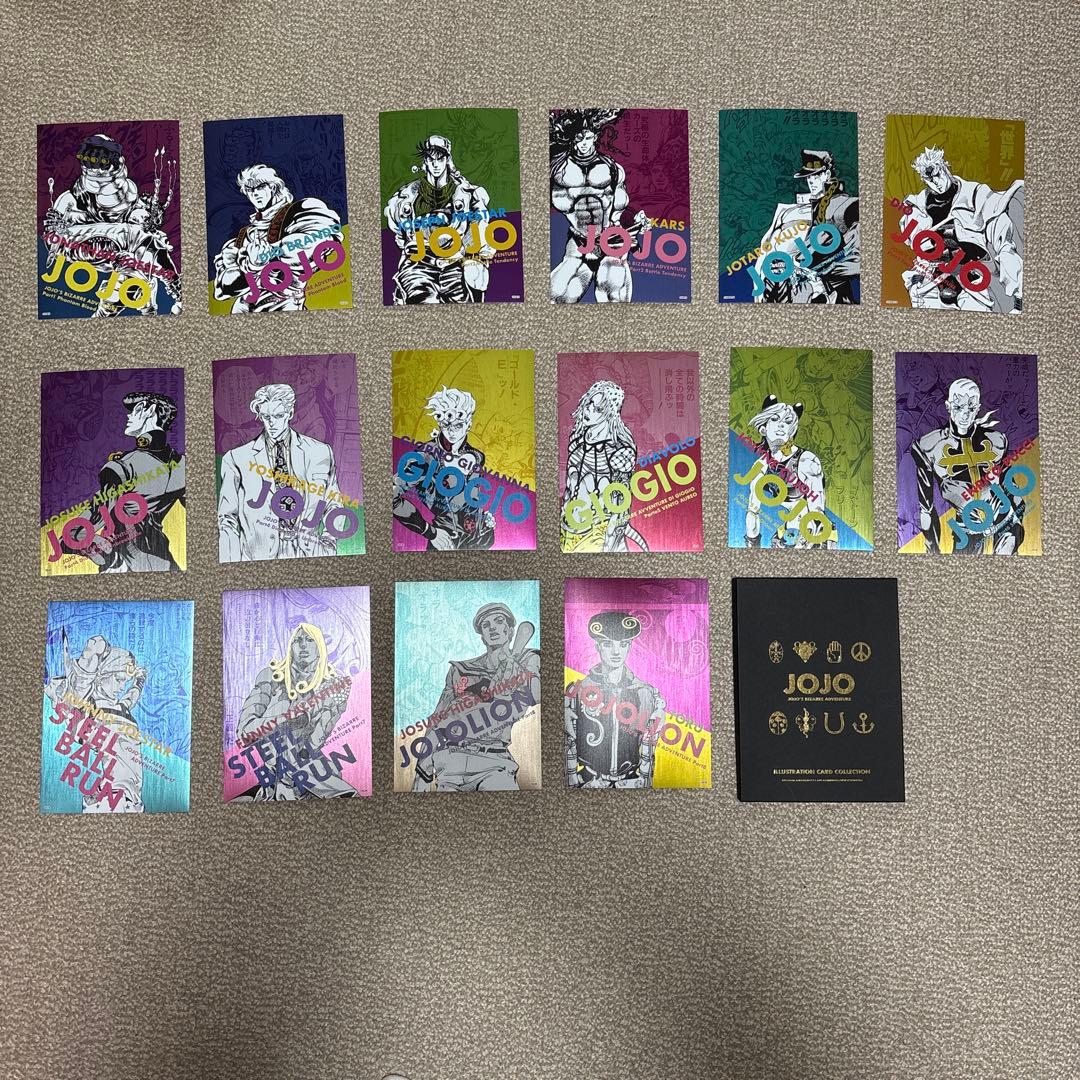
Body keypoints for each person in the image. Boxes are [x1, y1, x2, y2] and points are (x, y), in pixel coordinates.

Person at [42, 133, 182, 315]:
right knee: (135, 244)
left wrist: (146, 217)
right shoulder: (70, 201)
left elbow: (138, 220)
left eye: (103, 166)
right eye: (94, 166)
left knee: (141, 256)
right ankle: (162, 294)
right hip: (82, 246)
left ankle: (159, 296)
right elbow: (54, 240)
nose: (99, 172)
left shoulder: (127, 194)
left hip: (119, 250)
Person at [412, 603, 540, 793]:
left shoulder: (527, 660)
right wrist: (422, 775)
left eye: (499, 621)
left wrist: (514, 666)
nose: (492, 628)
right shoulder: (460, 670)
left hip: (494, 762)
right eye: (486, 625)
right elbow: (437, 720)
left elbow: (535, 695)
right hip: (451, 761)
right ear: (482, 637)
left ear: (511, 630)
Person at [60, 391, 185, 572]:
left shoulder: (123, 466)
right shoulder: (182, 465)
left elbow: (83, 526)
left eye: (135, 409)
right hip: (164, 563)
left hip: (123, 566)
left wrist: (77, 539)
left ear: (150, 411)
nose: (128, 416)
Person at [234, 624, 357, 800]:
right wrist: (287, 719)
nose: (303, 645)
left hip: (310, 774)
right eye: (298, 640)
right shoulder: (270, 677)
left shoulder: (331, 686)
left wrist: (331, 707)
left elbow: (313, 744)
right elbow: (245, 732)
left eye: (310, 640)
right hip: (274, 776)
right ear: (291, 646)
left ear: (320, 647)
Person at [218, 383, 339, 561]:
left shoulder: (321, 452)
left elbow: (333, 503)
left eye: (278, 415)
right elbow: (226, 518)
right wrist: (232, 562)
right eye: (266, 417)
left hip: (309, 553)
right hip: (257, 557)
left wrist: (329, 546)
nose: (272, 423)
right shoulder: (236, 459)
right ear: (260, 415)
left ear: (290, 413)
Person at [899, 146, 1023, 313]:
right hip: (932, 281)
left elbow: (1004, 244)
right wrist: (917, 280)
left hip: (971, 276)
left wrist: (1018, 299)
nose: (936, 183)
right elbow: (919, 251)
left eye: (938, 175)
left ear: (945, 168)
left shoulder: (977, 196)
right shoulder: (918, 206)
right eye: (929, 179)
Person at [911, 377, 1025, 554]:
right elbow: (926, 508)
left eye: (971, 408)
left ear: (978, 408)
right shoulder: (928, 446)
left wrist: (1017, 522)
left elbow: (1011, 488)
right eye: (958, 407)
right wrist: (932, 549)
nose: (965, 415)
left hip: (1002, 515)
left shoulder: (997, 440)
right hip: (967, 525)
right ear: (948, 406)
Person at [549, 109, 651, 302]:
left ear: (595, 137)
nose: (583, 144)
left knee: (613, 296)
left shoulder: (611, 168)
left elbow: (621, 205)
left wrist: (634, 220)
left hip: (611, 237)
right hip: (579, 240)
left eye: (588, 138)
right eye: (579, 139)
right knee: (556, 296)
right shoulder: (557, 170)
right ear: (572, 139)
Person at [214, 164, 343, 313]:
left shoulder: (300, 211)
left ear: (273, 187)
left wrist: (267, 254)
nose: (255, 193)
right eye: (249, 189)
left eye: (260, 187)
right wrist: (251, 266)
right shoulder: (244, 235)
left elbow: (322, 238)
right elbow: (222, 291)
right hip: (241, 310)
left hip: (284, 307)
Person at [45, 633, 148, 813]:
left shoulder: (121, 707)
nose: (121, 686)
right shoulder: (91, 705)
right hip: (116, 799)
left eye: (125, 681)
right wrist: (91, 657)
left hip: (131, 798)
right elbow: (80, 686)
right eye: (118, 679)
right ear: (103, 675)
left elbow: (132, 696)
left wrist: (139, 680)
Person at [384, 135, 493, 303]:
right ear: (425, 161)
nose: (435, 164)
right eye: (431, 159)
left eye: (440, 159)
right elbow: (399, 233)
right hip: (419, 268)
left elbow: (479, 227)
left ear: (447, 160)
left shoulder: (467, 194)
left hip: (454, 266)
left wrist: (474, 261)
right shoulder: (406, 197)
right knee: (423, 302)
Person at [564, 611, 664, 789]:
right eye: (608, 644)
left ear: (629, 647)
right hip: (589, 781)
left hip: (632, 781)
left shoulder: (644, 692)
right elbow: (569, 741)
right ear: (598, 647)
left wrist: (644, 780)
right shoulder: (579, 690)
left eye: (623, 644)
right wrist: (572, 780)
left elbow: (649, 743)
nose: (616, 652)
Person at [393, 386, 495, 550]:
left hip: (481, 539)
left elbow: (468, 499)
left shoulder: (476, 456)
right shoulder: (424, 458)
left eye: (458, 425)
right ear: (440, 423)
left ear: (469, 424)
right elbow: (391, 496)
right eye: (446, 425)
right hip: (446, 542)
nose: (452, 432)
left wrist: (483, 517)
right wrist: (429, 531)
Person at [752, 149, 859, 304]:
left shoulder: (844, 205)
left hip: (831, 291)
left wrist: (824, 274)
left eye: (816, 176)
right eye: (808, 177)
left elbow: (856, 256)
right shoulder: (816, 206)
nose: (811, 181)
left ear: (827, 174)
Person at [561, 379, 647, 551]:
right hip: (568, 527)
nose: (589, 410)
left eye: (599, 409)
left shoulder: (621, 451)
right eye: (589, 403)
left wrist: (612, 535)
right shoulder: (576, 440)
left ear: (610, 413)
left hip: (600, 530)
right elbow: (570, 488)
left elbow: (622, 499)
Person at [744, 395, 833, 548]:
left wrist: (812, 542)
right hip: (788, 532)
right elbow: (753, 511)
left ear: (792, 431)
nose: (781, 425)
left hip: (816, 531)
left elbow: (817, 511)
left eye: (788, 422)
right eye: (775, 419)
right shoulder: (760, 467)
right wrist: (752, 547)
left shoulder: (806, 461)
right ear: (763, 429)